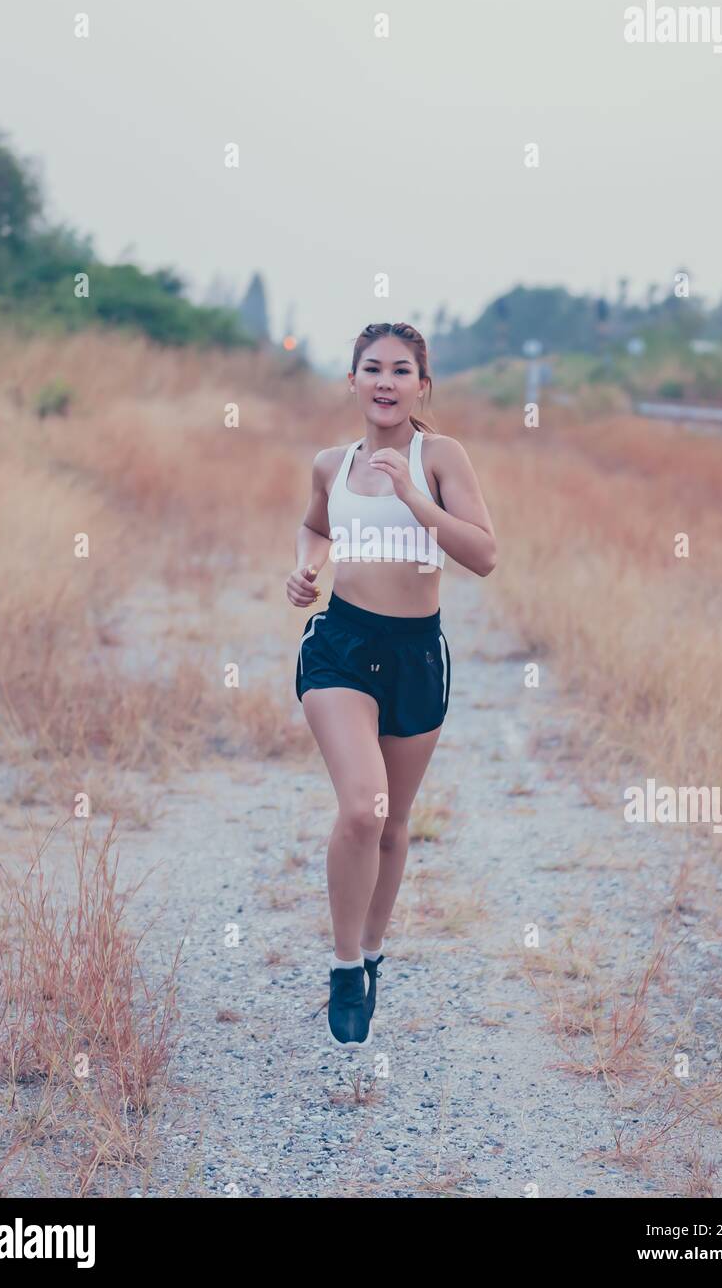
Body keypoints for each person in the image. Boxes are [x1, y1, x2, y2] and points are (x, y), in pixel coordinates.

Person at [287, 322, 497, 1048]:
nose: (385, 380)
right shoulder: (329, 462)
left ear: (421, 385)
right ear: (351, 380)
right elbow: (316, 527)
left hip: (416, 655)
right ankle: (345, 966)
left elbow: (484, 555)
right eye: (371, 368)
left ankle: (374, 950)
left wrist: (412, 495)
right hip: (342, 645)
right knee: (361, 811)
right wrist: (306, 566)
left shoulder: (439, 456)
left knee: (395, 822)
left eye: (400, 370)